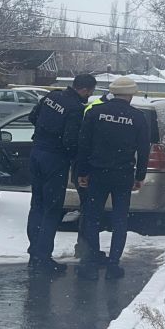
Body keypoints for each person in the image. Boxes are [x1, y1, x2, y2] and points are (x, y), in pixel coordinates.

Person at [74, 76, 151, 280]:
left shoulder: (95, 113)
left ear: (112, 92)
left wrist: (82, 172)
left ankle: (91, 263)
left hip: (97, 173)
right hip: (123, 175)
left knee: (92, 218)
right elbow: (144, 149)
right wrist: (140, 176)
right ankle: (113, 265)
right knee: (120, 219)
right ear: (131, 94)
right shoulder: (137, 117)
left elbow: (84, 144)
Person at [26, 74, 97, 275]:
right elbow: (70, 141)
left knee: (36, 206)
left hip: (36, 153)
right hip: (55, 160)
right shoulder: (76, 108)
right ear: (85, 89)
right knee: (52, 209)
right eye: (90, 92)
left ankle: (34, 253)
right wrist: (77, 160)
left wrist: (45, 136)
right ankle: (43, 257)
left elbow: (32, 117)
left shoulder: (52, 96)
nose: (89, 96)